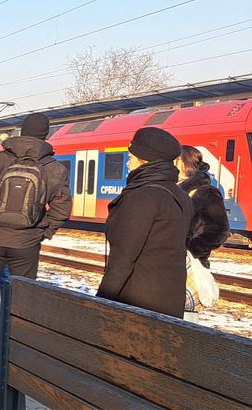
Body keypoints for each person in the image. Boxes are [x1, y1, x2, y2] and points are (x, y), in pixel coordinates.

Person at [0, 113, 70, 326]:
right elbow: (62, 208)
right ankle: (15, 343)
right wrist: (43, 232)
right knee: (22, 296)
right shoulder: (54, 168)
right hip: (26, 242)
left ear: (22, 131)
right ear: (46, 135)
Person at [98, 127, 191, 318]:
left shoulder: (142, 197)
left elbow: (123, 259)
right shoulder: (181, 195)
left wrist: (100, 303)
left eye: (131, 157)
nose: (127, 163)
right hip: (170, 301)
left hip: (136, 302)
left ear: (145, 160)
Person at [177, 145, 230, 268]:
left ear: (183, 163)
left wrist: (190, 251)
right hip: (167, 263)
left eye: (174, 160)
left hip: (192, 265)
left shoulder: (207, 193)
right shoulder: (172, 189)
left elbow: (219, 231)